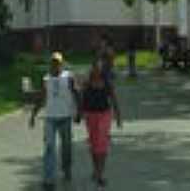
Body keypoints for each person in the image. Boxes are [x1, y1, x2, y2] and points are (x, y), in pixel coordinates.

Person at [30, 51, 81, 189]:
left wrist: (79, 112)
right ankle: (49, 179)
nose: (55, 65)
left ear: (62, 64)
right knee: (49, 148)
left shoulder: (68, 77)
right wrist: (33, 115)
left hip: (65, 117)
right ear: (50, 64)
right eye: (53, 63)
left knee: (66, 146)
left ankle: (66, 168)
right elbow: (41, 98)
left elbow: (76, 93)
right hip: (50, 118)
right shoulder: (46, 79)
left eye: (58, 63)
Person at [81, 58, 122, 188]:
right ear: (92, 69)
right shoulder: (87, 83)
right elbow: (82, 99)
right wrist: (78, 113)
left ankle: (100, 174)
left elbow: (114, 99)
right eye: (95, 67)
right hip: (90, 115)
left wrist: (118, 117)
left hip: (104, 115)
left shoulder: (107, 83)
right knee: (94, 144)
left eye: (99, 68)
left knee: (102, 144)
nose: (97, 70)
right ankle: (95, 169)